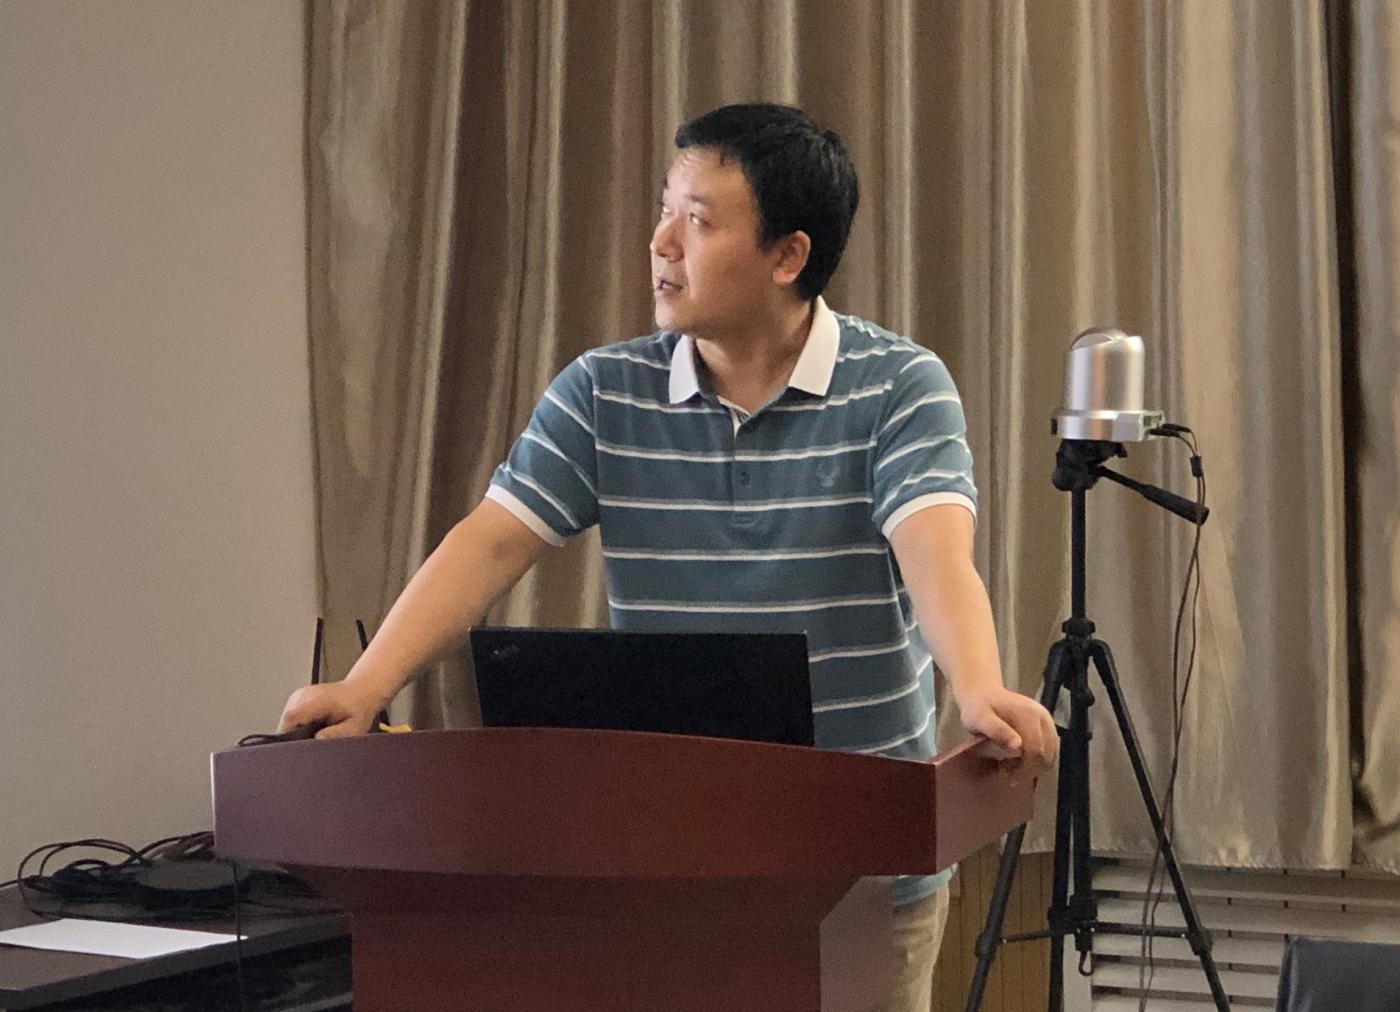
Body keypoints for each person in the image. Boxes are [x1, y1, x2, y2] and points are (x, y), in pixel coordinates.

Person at [279, 101, 1060, 1012]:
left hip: (861, 864)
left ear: (787, 256)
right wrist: (366, 686)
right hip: (669, 860)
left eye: (697, 220)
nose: (660, 243)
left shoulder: (898, 386)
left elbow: (936, 552)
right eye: (664, 210)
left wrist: (978, 684)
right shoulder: (604, 389)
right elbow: (490, 541)